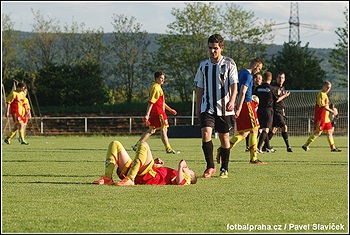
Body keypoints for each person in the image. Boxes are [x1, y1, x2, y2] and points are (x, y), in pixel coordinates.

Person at [194, 34, 238, 179]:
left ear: (221, 48)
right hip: (208, 107)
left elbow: (234, 85)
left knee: (224, 138)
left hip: (225, 108)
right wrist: (198, 106)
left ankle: (224, 168)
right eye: (210, 48)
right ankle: (210, 166)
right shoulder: (203, 65)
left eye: (215, 48)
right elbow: (200, 87)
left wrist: (232, 100)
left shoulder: (229, 63)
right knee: (206, 133)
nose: (212, 51)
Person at [218, 57, 267, 165]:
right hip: (247, 105)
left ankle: (223, 150)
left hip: (240, 104)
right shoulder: (248, 75)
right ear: (255, 65)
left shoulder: (240, 73)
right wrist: (239, 108)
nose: (258, 71)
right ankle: (253, 158)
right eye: (259, 68)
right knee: (255, 130)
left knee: (244, 133)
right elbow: (243, 92)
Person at [92, 140, 197, 186]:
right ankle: (107, 178)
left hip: (147, 175)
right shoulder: (174, 172)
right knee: (115, 144)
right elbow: (163, 175)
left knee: (144, 145)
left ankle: (130, 179)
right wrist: (156, 164)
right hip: (140, 171)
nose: (189, 168)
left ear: (190, 175)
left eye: (190, 170)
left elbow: (180, 183)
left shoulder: (186, 178)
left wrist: (180, 166)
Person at [132, 71, 178, 154]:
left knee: (152, 130)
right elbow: (151, 102)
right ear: (156, 78)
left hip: (156, 112)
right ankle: (168, 149)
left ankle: (137, 145)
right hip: (159, 112)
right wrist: (147, 114)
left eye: (163, 78)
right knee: (164, 129)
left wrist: (170, 110)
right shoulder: (156, 88)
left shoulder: (157, 87)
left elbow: (160, 102)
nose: (163, 79)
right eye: (161, 78)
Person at [302, 80, 341, 152]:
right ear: (323, 86)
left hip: (326, 119)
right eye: (327, 87)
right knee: (317, 133)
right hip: (321, 118)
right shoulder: (321, 94)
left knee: (329, 132)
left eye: (329, 88)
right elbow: (323, 106)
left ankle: (333, 148)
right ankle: (305, 145)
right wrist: (332, 111)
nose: (328, 89)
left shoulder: (325, 95)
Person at [266, 72, 292, 152]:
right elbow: (276, 100)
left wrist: (283, 110)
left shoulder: (282, 87)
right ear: (276, 78)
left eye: (282, 78)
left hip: (280, 110)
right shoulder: (274, 87)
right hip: (275, 110)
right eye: (279, 78)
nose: (281, 79)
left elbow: (281, 100)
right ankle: (288, 147)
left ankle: (265, 146)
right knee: (284, 127)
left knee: (274, 129)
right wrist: (285, 95)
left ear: (284, 79)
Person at [255, 71, 278, 153]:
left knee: (260, 129)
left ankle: (267, 147)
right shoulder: (272, 88)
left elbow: (254, 97)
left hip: (259, 110)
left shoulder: (258, 88)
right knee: (266, 129)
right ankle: (257, 147)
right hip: (268, 110)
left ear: (263, 78)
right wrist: (284, 96)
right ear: (271, 79)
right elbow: (277, 100)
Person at [245, 73, 263, 152]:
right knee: (252, 129)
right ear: (254, 79)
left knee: (256, 129)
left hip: (258, 110)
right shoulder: (252, 88)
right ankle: (250, 146)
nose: (259, 80)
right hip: (251, 110)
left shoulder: (260, 88)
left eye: (260, 78)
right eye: (258, 78)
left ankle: (251, 146)